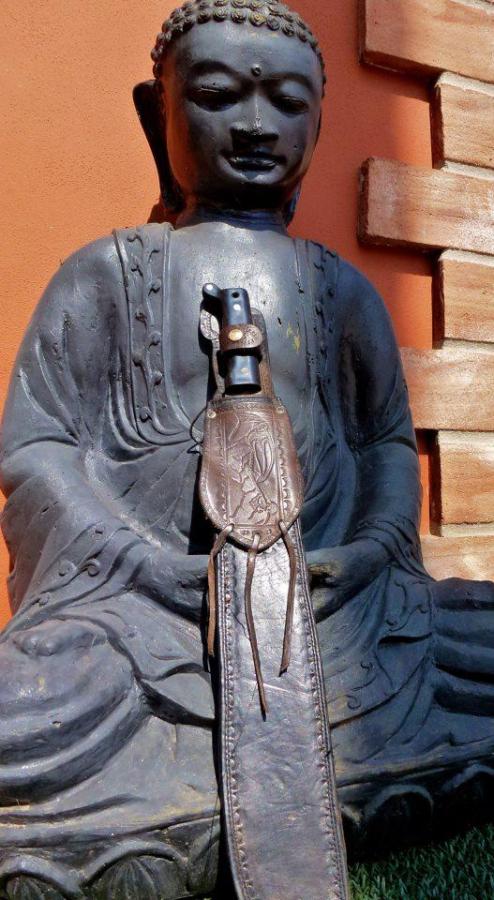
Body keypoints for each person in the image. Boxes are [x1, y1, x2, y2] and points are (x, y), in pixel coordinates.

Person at [1, 2, 493, 897]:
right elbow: (38, 449)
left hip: (339, 621)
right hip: (143, 627)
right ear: (157, 114)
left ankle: (196, 811)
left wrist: (370, 553)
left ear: (320, 123)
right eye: (219, 95)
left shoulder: (341, 290)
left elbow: (384, 441)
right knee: (33, 708)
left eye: (288, 103)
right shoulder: (106, 275)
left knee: (476, 632)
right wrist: (143, 569)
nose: (257, 125)